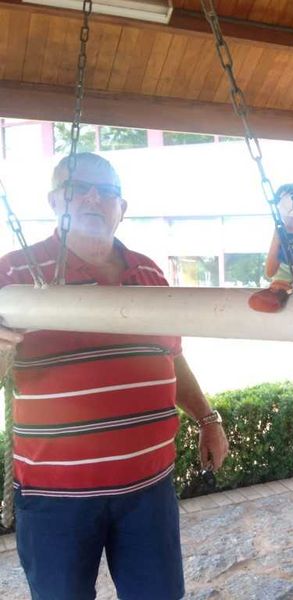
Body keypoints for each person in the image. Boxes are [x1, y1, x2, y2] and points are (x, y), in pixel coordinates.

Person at [0, 152, 229, 599]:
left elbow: (171, 357)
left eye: (106, 192)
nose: (93, 198)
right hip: (55, 498)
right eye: (78, 189)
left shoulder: (149, 272)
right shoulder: (13, 273)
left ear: (121, 208)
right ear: (54, 200)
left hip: (149, 490)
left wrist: (208, 419)